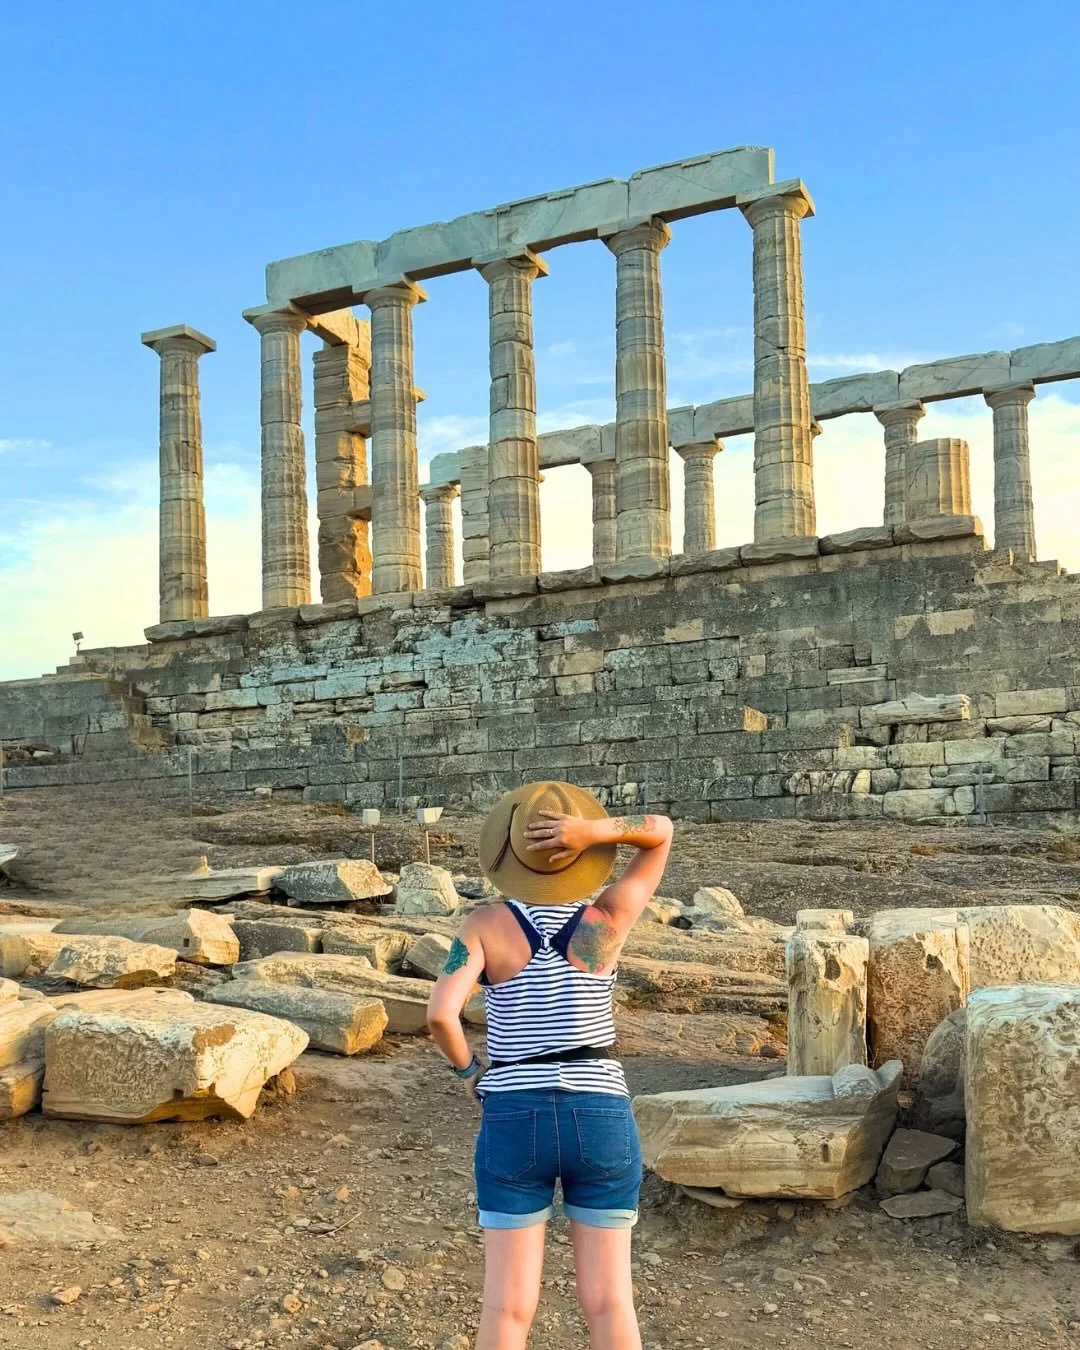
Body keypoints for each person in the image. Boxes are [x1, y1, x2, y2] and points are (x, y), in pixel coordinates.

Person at [426, 781, 673, 1350]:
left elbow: (441, 1015)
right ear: (581, 859)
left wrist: (471, 1074)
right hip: (600, 1112)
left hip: (515, 1112)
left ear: (509, 854)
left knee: (507, 1308)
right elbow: (660, 834)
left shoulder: (485, 925)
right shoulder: (604, 920)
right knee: (610, 1302)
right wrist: (592, 831)